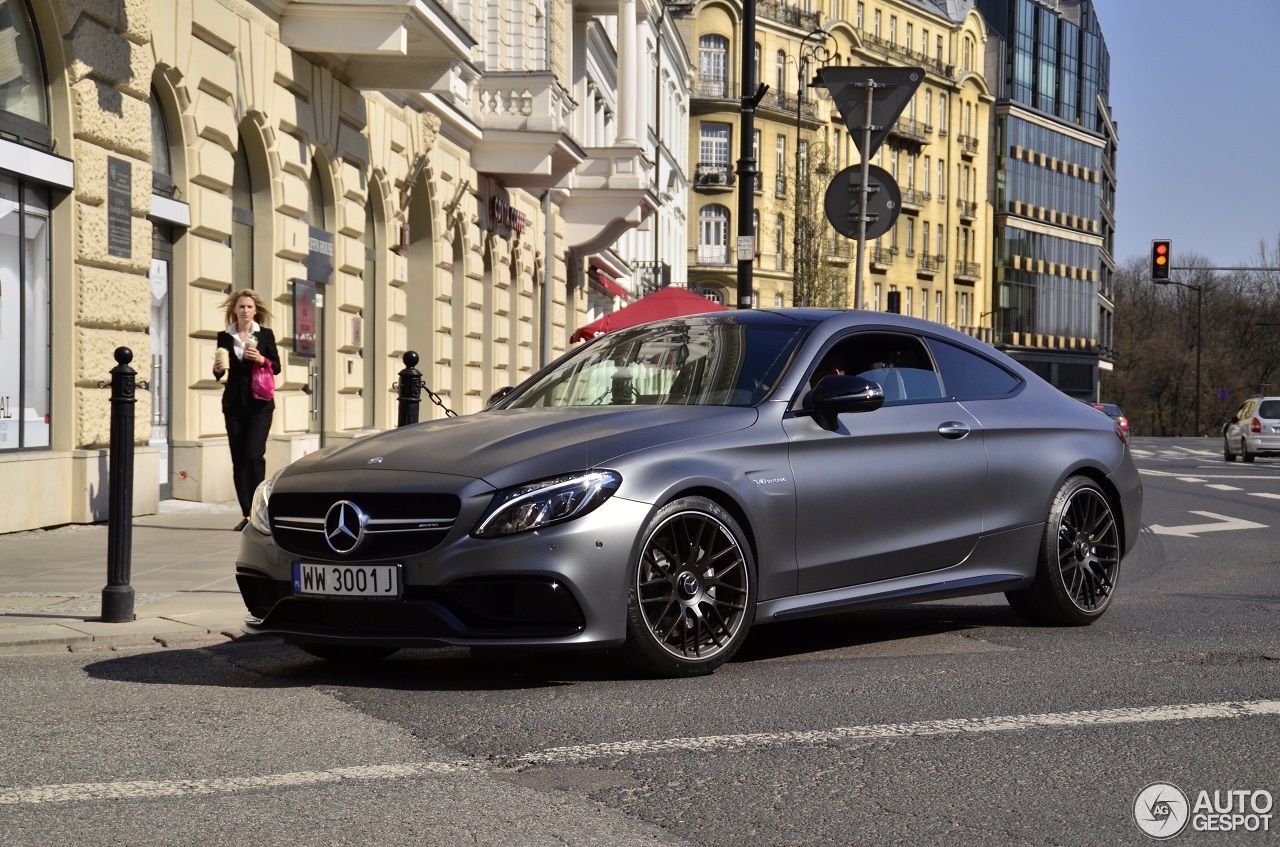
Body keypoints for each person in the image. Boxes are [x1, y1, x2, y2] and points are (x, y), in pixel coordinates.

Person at [212, 289, 281, 531]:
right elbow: (219, 372)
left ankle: (260, 509)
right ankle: (247, 515)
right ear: (235, 310)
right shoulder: (225, 336)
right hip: (234, 404)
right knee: (239, 459)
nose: (245, 311)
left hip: (260, 403)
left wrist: (262, 359)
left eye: (249, 307)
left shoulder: (265, 335)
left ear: (255, 311)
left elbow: (277, 366)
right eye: (241, 307)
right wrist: (218, 367)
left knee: (253, 455)